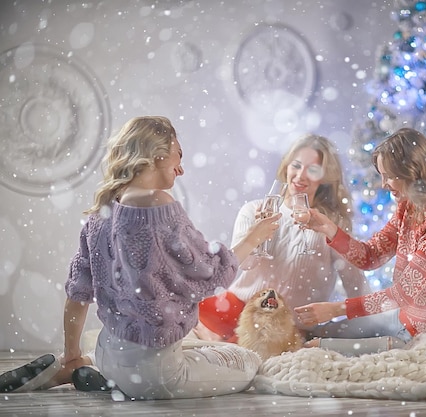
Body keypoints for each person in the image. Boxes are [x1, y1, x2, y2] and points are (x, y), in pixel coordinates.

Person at [0, 116, 281, 399]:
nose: (181, 169)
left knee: (207, 348)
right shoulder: (159, 205)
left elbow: (78, 295)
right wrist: (255, 237)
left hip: (108, 350)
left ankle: (78, 366)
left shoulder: (101, 213)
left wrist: (70, 352)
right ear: (156, 155)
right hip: (155, 375)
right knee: (247, 360)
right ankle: (112, 379)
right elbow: (212, 275)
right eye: (177, 156)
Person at [294, 127, 426, 355]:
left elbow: (403, 294)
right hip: (404, 322)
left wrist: (336, 309)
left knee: (316, 349)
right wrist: (329, 229)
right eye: (382, 175)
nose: (383, 184)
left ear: (413, 172)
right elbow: (370, 256)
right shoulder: (408, 208)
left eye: (389, 176)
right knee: (316, 333)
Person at [195, 134, 371, 342]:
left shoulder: (332, 226)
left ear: (324, 178)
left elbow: (357, 288)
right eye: (296, 166)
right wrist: (256, 234)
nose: (300, 175)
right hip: (239, 309)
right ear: (286, 167)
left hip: (286, 325)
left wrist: (339, 312)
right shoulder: (253, 210)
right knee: (184, 309)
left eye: (312, 170)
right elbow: (244, 264)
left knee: (238, 356)